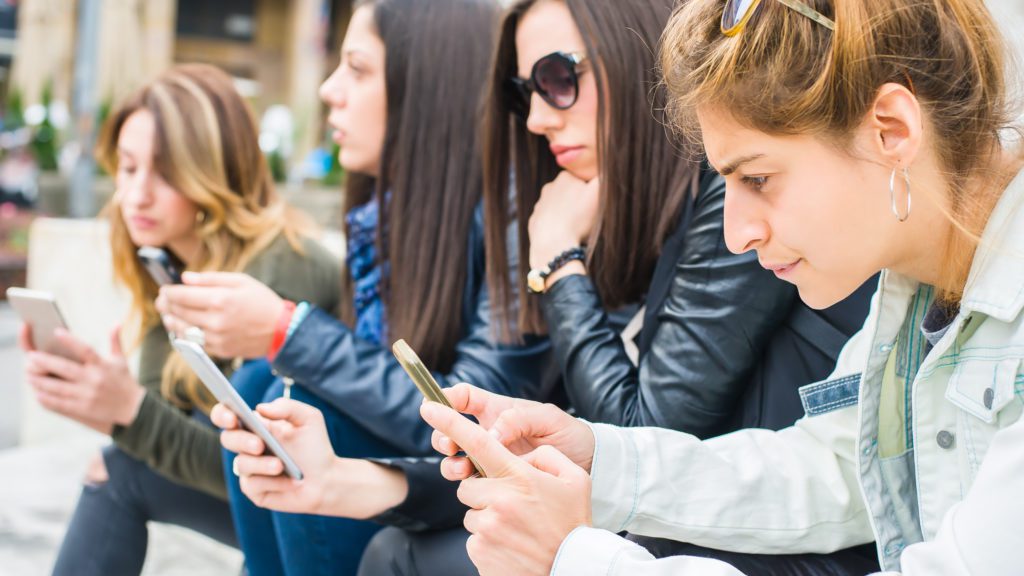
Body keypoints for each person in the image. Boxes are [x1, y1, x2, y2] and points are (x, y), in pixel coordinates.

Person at [218, 1, 876, 574]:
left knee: (398, 550)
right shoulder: (601, 202)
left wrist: (559, 264)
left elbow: (642, 431)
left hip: (755, 531)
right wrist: (344, 479)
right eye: (520, 91)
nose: (534, 117)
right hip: (702, 503)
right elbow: (605, 445)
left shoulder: (677, 200)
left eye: (558, 79)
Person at [419, 0, 1024, 574]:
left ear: (891, 131)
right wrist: (597, 459)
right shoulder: (916, 281)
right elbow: (832, 466)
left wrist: (573, 560)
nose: (737, 233)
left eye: (758, 178)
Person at [158, 0, 553, 573]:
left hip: (476, 487)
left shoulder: (513, 214)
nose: (328, 89)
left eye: (358, 69)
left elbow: (475, 415)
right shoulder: (384, 212)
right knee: (258, 386)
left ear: (429, 88)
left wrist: (286, 330)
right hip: (410, 480)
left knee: (287, 397)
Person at [18, 63, 341, 576]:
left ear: (215, 171)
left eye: (165, 172)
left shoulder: (282, 267)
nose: (137, 193)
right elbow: (161, 413)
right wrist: (113, 398)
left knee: (119, 467)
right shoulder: (165, 255)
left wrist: (125, 412)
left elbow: (264, 466)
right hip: (265, 493)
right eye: (127, 167)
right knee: (115, 467)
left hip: (325, 511)